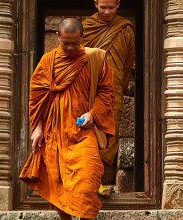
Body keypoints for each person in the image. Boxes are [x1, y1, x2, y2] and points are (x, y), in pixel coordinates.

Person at [19, 18, 115, 220]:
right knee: (59, 185)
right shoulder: (48, 61)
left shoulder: (95, 59)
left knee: (88, 180)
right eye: (65, 43)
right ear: (58, 37)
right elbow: (37, 98)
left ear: (82, 37)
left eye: (75, 43)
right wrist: (37, 128)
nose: (70, 48)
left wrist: (93, 114)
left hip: (82, 132)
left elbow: (106, 92)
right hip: (54, 133)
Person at [82, 0, 135, 193]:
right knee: (87, 135)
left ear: (119, 4)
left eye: (111, 8)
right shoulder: (85, 27)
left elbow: (127, 63)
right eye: (103, 7)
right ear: (95, 4)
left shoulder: (125, 29)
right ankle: (86, 183)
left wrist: (118, 85)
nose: (107, 12)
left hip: (113, 92)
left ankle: (100, 182)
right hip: (88, 92)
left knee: (109, 136)